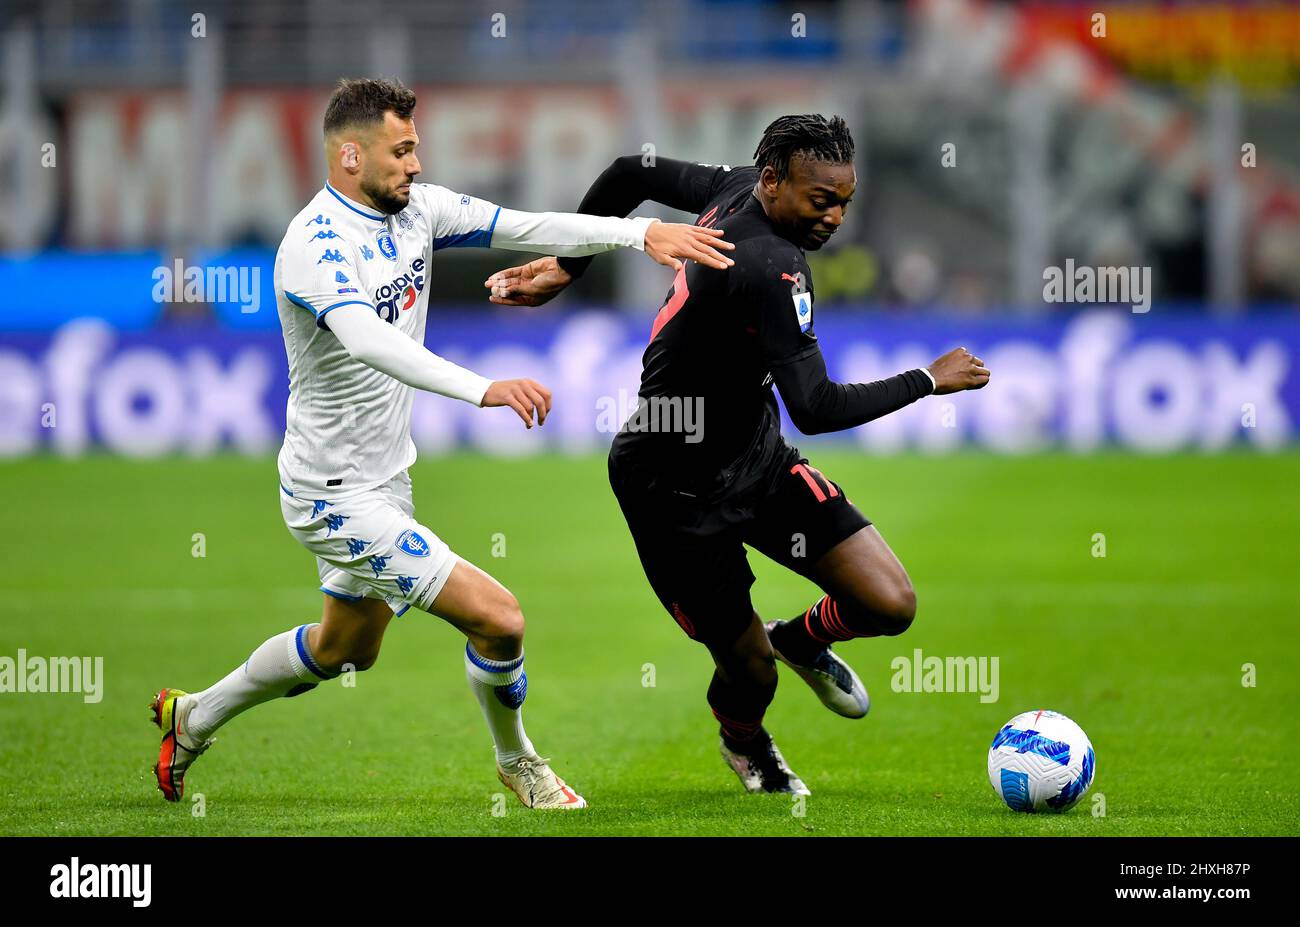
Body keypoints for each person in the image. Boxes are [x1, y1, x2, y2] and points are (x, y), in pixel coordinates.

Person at [150, 77, 734, 811]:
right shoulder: (314, 245)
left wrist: (638, 232)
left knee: (345, 649)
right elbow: (367, 341)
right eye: (401, 151)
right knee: (500, 617)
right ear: (351, 155)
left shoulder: (418, 210)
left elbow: (526, 226)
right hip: (332, 494)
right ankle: (520, 761)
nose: (416, 164)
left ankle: (194, 715)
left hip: (386, 477)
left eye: (416, 149)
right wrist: (481, 386)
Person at [484, 115, 989, 793]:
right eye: (821, 200)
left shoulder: (740, 186)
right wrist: (926, 379)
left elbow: (631, 172)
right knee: (752, 672)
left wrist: (567, 267)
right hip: (670, 491)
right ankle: (744, 741)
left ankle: (803, 637)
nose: (835, 216)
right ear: (775, 182)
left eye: (845, 200)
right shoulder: (771, 264)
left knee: (890, 602)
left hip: (753, 455)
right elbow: (815, 405)